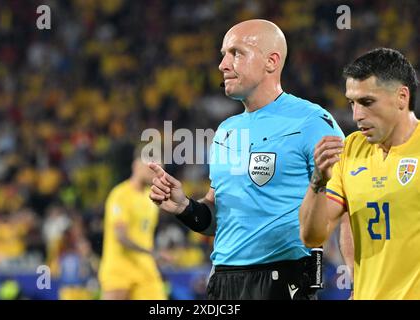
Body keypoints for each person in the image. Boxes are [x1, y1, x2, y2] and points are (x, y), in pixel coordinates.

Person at [148, 19, 344, 300]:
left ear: (271, 62)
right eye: (224, 55)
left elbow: (347, 205)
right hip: (223, 281)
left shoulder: (313, 122)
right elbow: (218, 219)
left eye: (236, 53)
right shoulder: (226, 131)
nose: (223, 65)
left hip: (283, 281)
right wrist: (184, 207)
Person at [299, 48, 420, 299]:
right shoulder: (351, 149)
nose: (356, 115)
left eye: (367, 102)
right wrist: (318, 181)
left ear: (402, 97)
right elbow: (312, 236)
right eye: (351, 103)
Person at [98, 147, 170, 300]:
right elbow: (121, 236)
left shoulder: (151, 199)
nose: (156, 174)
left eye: (159, 170)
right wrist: (152, 253)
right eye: (152, 168)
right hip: (119, 270)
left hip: (146, 271)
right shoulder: (120, 195)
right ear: (137, 165)